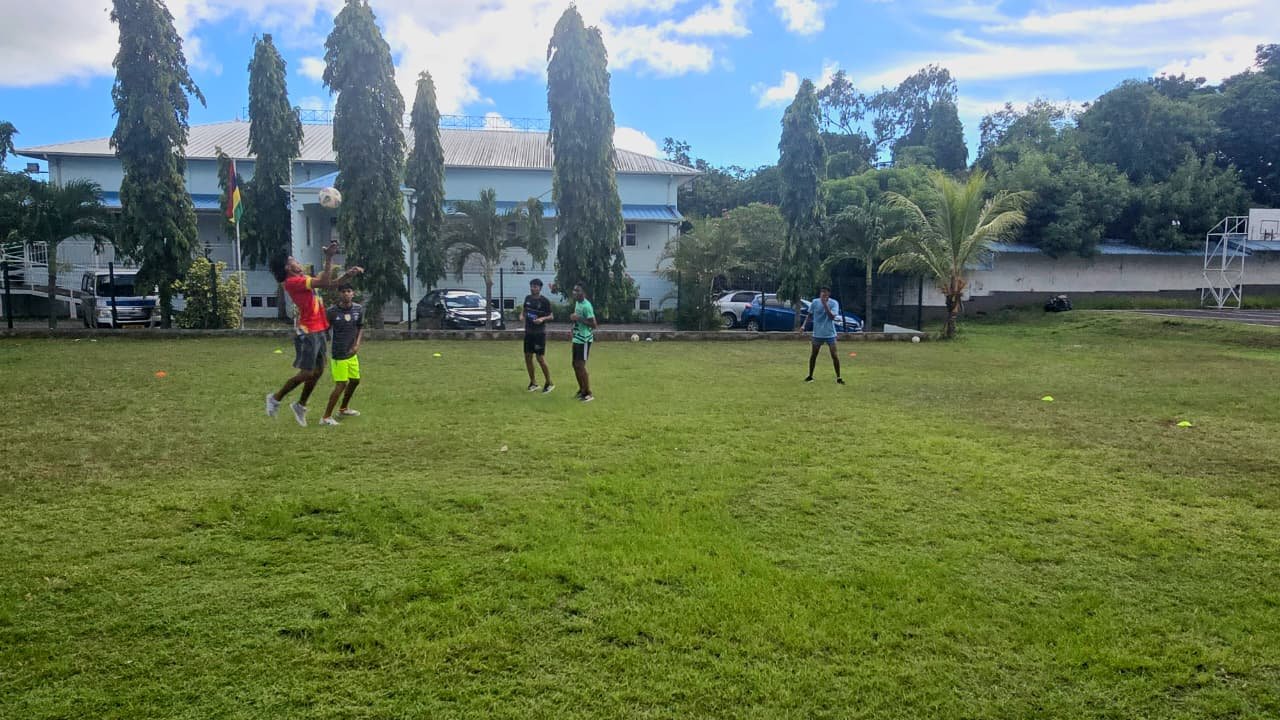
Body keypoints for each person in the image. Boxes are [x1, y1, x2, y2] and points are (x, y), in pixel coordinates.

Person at [265, 241, 363, 426]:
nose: (297, 262)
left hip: (318, 329)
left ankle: (300, 406)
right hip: (308, 331)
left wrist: (347, 275)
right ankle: (275, 398)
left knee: (318, 372)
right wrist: (328, 258)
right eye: (293, 260)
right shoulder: (293, 282)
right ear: (287, 267)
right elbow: (325, 281)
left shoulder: (303, 278)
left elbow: (330, 284)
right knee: (307, 372)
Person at [320, 283, 365, 426]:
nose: (346, 294)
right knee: (341, 384)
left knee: (355, 381)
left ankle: (343, 408)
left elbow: (360, 327)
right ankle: (326, 417)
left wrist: (357, 344)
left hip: (352, 353)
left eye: (349, 291)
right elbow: (323, 329)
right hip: (339, 354)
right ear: (339, 294)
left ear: (353, 293)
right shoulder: (332, 311)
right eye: (343, 291)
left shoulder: (358, 309)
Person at [800, 285, 844, 385]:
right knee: (813, 355)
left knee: (834, 355)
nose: (823, 294)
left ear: (829, 294)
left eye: (825, 292)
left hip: (830, 333)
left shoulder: (834, 303)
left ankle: (839, 377)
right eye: (821, 292)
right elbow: (809, 316)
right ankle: (810, 376)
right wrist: (803, 326)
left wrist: (825, 305)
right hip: (817, 333)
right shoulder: (815, 302)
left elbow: (832, 317)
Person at [522, 278, 554, 393]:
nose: (532, 288)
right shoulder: (528, 298)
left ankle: (549, 382)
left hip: (539, 334)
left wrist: (542, 319)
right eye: (531, 286)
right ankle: (533, 382)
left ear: (540, 288)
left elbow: (551, 316)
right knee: (528, 357)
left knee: (540, 358)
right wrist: (522, 315)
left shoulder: (544, 301)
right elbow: (524, 311)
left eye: (535, 286)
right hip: (528, 333)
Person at [569, 282, 597, 402]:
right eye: (574, 290)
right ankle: (582, 390)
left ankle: (588, 393)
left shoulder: (587, 306)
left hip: (584, 339)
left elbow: (594, 325)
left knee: (581, 365)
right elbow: (577, 320)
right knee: (575, 365)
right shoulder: (577, 303)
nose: (575, 292)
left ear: (584, 293)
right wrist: (573, 326)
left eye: (578, 290)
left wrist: (578, 318)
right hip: (577, 337)